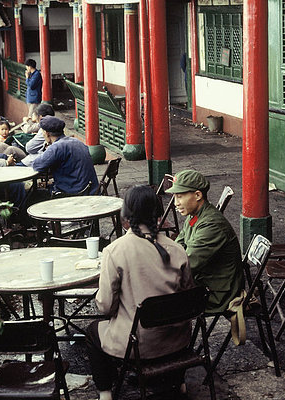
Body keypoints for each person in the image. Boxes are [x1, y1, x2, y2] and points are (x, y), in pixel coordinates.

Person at [85, 185, 194, 400]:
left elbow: (106, 307)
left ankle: (105, 392)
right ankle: (178, 380)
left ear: (126, 215)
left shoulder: (115, 251)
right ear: (159, 213)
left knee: (92, 332)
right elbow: (188, 296)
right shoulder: (177, 249)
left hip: (137, 347)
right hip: (177, 342)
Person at [172, 169, 244, 313]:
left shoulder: (211, 225)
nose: (176, 203)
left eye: (179, 197)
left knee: (160, 303)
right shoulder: (195, 215)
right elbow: (178, 246)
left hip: (216, 294)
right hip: (205, 281)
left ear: (198, 195)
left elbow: (187, 265)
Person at [31, 116, 99, 196]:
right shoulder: (77, 141)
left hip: (75, 193)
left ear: (47, 133)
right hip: (91, 189)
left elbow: (36, 165)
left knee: (34, 195)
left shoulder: (57, 147)